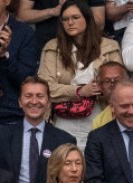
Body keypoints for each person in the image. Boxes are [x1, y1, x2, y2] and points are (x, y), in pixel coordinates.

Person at [39, 0, 120, 150]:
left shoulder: (109, 47)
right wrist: (79, 91)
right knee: (65, 164)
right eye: (65, 19)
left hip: (100, 114)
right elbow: (44, 88)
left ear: (87, 19)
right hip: (63, 118)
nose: (70, 22)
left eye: (75, 17)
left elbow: (120, 86)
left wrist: (101, 87)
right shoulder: (52, 47)